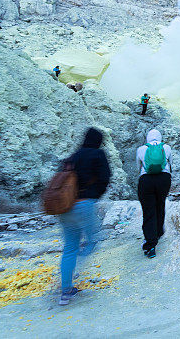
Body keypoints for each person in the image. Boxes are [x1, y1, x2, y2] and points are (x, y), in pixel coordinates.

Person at [57, 127, 111, 306]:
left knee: (70, 247)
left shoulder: (73, 157)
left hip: (65, 207)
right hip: (85, 204)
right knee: (93, 241)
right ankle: (79, 267)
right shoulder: (97, 154)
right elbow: (105, 177)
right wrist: (95, 195)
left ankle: (66, 291)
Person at [136, 129, 172, 258]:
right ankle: (158, 232)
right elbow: (171, 165)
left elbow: (138, 167)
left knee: (148, 210)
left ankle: (150, 245)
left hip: (146, 180)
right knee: (160, 203)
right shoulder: (166, 147)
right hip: (164, 179)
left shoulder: (141, 149)